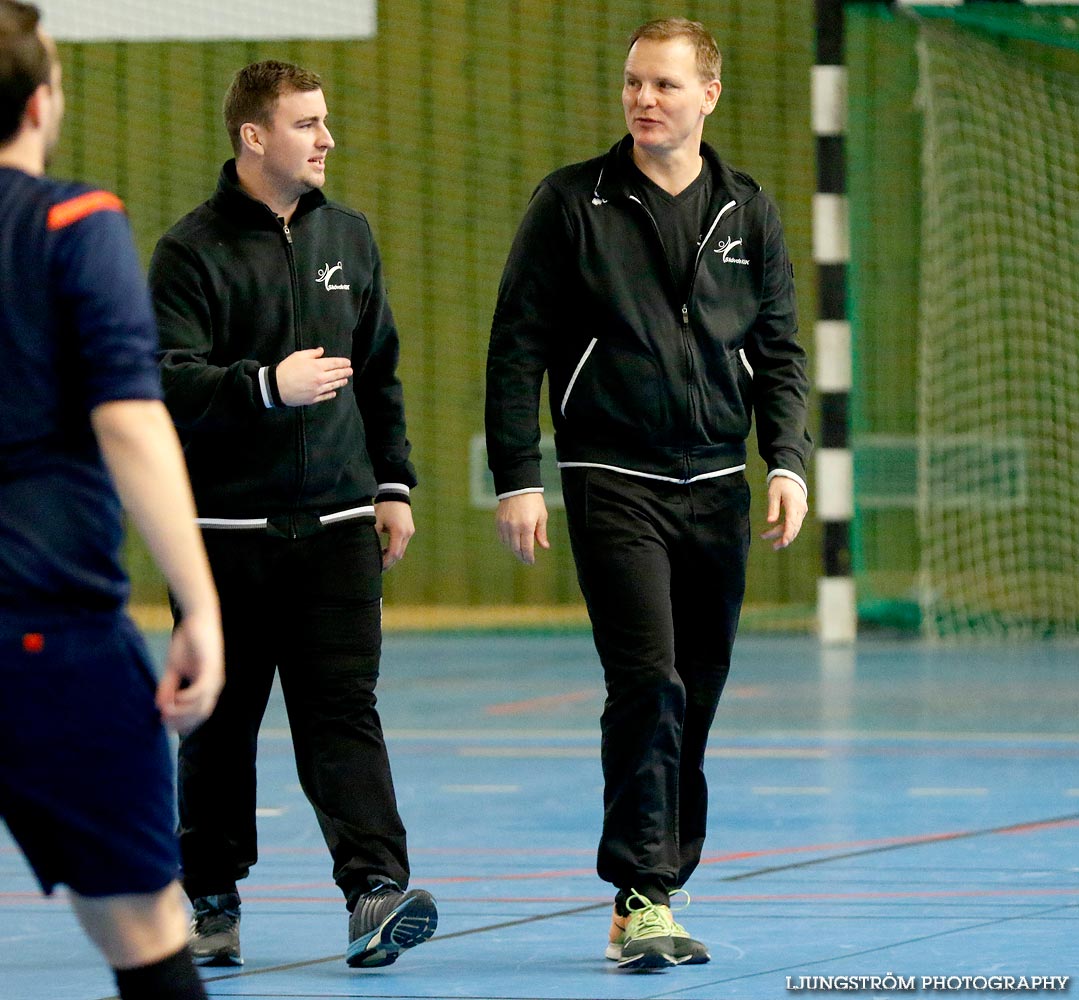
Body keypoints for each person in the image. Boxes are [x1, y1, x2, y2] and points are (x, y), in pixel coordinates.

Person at [486, 17, 812, 971]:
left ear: (707, 94)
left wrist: (784, 460)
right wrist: (519, 475)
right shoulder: (570, 203)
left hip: (715, 481)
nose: (642, 99)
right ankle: (641, 895)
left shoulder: (746, 209)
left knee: (696, 690)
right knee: (648, 681)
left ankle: (665, 875)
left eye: (664, 85)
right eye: (633, 82)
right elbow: (517, 348)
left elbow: (781, 351)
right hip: (609, 479)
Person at [148, 59, 436, 970]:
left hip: (341, 529)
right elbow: (163, 379)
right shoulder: (189, 251)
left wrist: (393, 486)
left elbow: (380, 372)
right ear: (253, 136)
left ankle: (375, 892)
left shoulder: (348, 235)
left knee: (343, 713)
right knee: (221, 726)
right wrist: (268, 387)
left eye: (325, 120)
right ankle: (212, 899)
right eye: (307, 122)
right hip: (226, 539)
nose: (326, 137)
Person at [0, 4, 225, 998]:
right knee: (143, 924)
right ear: (43, 99)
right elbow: (132, 420)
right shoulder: (68, 223)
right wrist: (201, 604)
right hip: (43, 635)